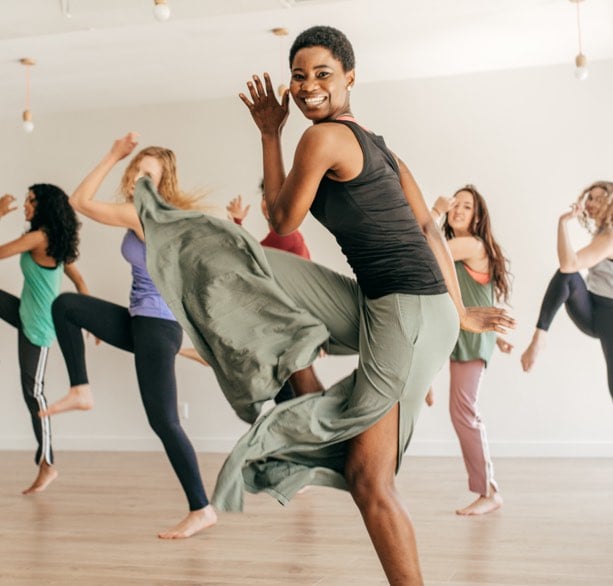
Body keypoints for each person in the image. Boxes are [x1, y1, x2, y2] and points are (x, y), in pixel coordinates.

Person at [133, 26, 514, 585]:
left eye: (322, 73)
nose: (308, 85)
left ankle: (313, 416)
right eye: (299, 75)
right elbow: (428, 229)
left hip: (406, 313)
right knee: (253, 266)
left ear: (349, 77)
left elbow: (282, 218)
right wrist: (456, 312)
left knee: (369, 479)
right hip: (389, 303)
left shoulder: (323, 138)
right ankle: (306, 395)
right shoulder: (381, 146)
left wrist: (271, 135)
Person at [40, 135, 217, 539]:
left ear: (162, 183)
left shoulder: (144, 213)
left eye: (148, 175)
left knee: (164, 422)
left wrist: (112, 154)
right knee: (67, 306)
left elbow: (79, 201)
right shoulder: (160, 214)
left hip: (155, 326)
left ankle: (201, 508)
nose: (138, 178)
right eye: (136, 169)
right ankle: (82, 390)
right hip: (144, 322)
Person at [430, 186, 512, 516]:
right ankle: (424, 382)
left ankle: (489, 491)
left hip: (470, 340)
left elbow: (426, 250)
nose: (458, 209)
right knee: (462, 412)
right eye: (455, 204)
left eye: (467, 206)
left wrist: (434, 211)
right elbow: (480, 297)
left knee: (464, 413)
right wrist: (498, 336)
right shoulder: (468, 248)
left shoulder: (472, 244)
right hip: (458, 336)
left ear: (477, 217)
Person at [0, 185, 86, 495]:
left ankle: (48, 464)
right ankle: (46, 463)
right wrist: (88, 315)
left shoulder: (39, 238)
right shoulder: (53, 238)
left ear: (44, 207)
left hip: (37, 325)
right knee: (32, 392)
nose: (25, 205)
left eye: (30, 201)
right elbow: (79, 279)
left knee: (33, 393)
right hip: (25, 313)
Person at [521, 181, 613, 399]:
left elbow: (569, 263)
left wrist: (562, 223)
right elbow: (567, 266)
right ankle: (540, 336)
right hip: (593, 310)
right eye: (590, 197)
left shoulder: (610, 237)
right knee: (568, 277)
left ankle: (539, 338)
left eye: (599, 199)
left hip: (610, 317)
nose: (591, 203)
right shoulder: (602, 233)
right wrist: (562, 223)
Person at [227, 186, 318, 402]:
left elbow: (249, 258)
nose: (267, 202)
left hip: (292, 331)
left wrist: (237, 223)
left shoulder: (286, 236)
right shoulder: (281, 237)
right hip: (286, 330)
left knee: (292, 397)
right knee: (290, 396)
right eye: (265, 196)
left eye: (275, 196)